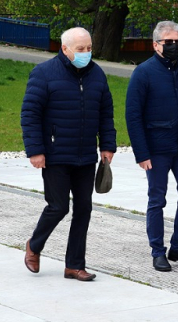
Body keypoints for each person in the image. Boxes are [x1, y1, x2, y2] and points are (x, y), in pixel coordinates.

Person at [21, 27, 116, 282]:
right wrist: (36, 151)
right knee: (58, 206)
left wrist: (108, 146)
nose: (86, 53)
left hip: (85, 155)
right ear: (65, 49)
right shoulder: (43, 73)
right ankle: (35, 245)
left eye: (89, 48)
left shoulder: (97, 74)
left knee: (84, 208)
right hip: (55, 154)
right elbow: (30, 114)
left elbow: (106, 113)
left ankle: (74, 265)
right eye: (80, 49)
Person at [126, 21, 178, 272]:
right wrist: (141, 152)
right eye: (168, 42)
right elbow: (133, 115)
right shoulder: (143, 73)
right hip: (157, 148)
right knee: (157, 199)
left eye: (177, 42)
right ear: (155, 44)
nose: (173, 46)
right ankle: (157, 251)